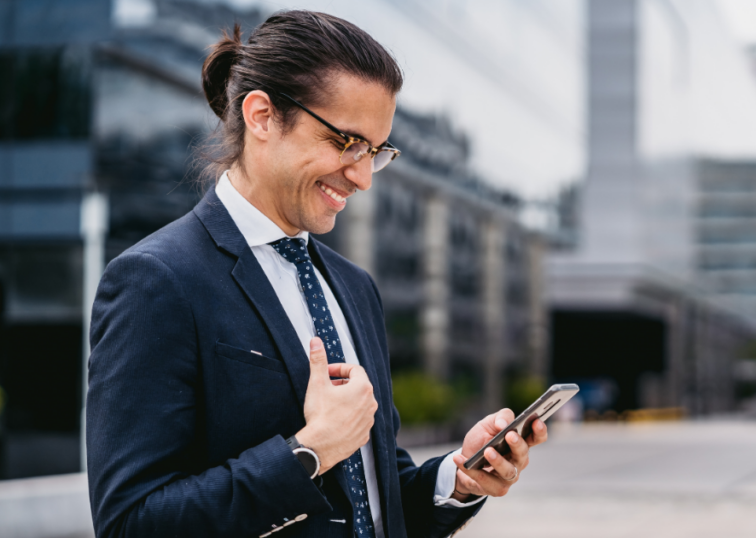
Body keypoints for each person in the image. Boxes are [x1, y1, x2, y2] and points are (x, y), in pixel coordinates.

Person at [86, 11, 546, 538]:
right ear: (261, 116)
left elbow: (372, 498)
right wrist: (307, 453)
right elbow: (130, 524)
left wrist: (457, 480)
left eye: (376, 151)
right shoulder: (156, 280)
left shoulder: (355, 287)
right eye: (346, 142)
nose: (363, 177)